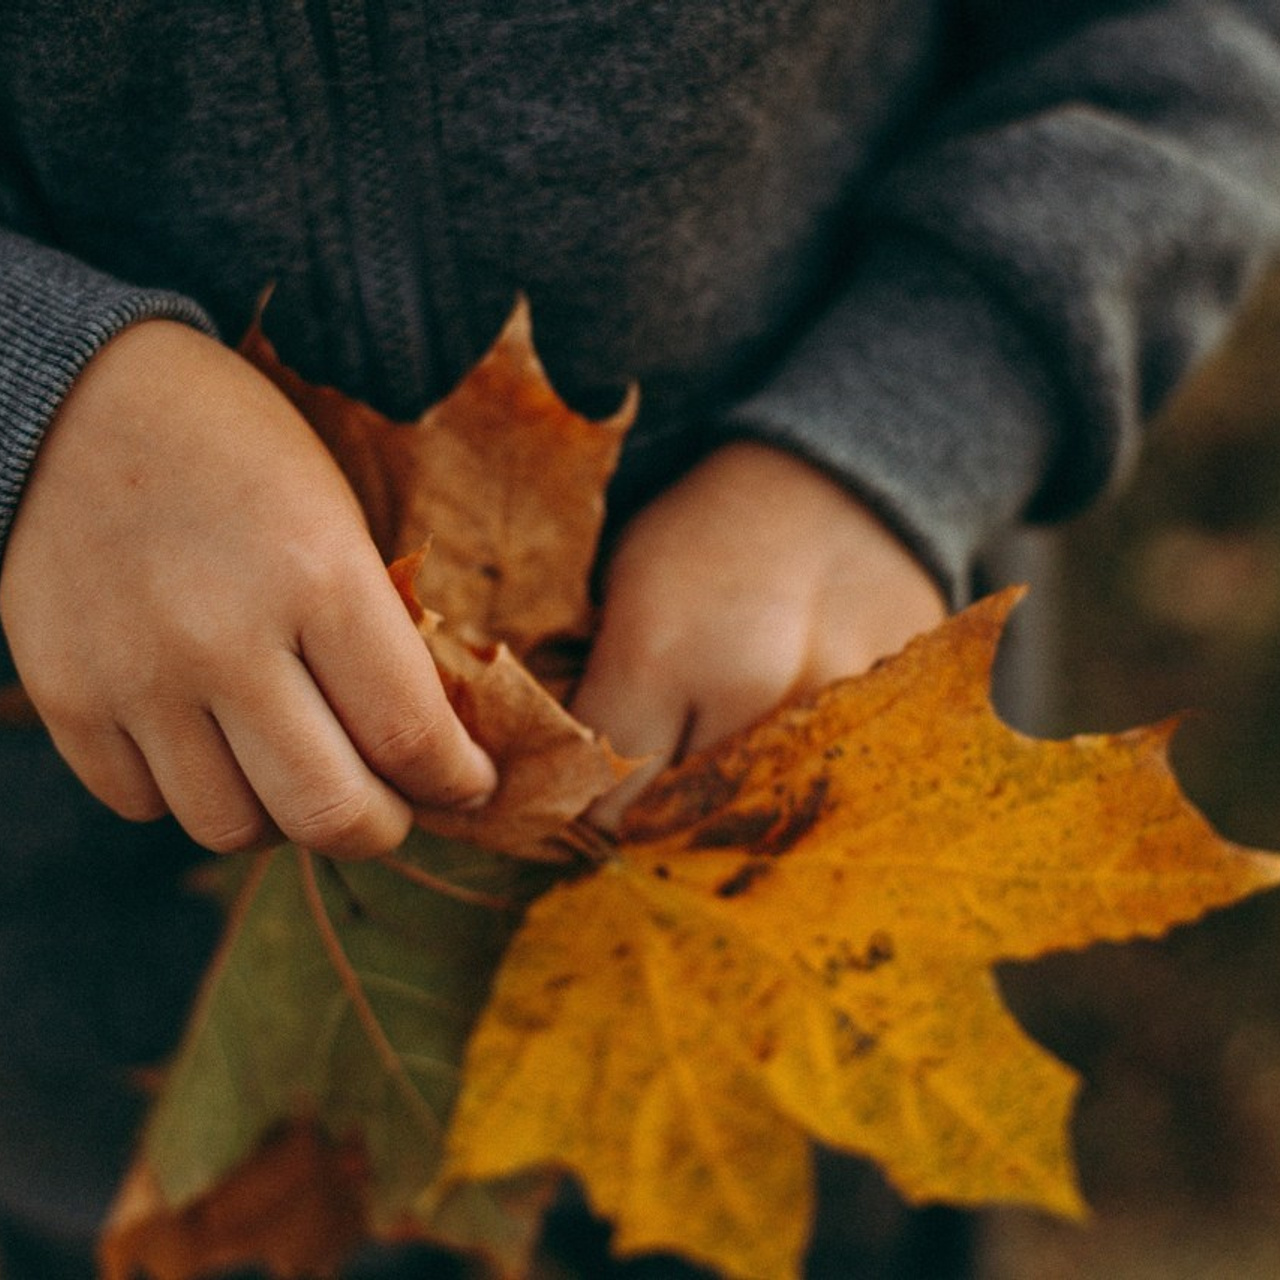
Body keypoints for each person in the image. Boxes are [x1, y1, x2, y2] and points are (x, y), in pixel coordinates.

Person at [1, 2, 1279, 1276]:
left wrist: (898, 430)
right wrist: (37, 389)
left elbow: (1187, 43)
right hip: (94, 1045)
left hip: (789, 885)